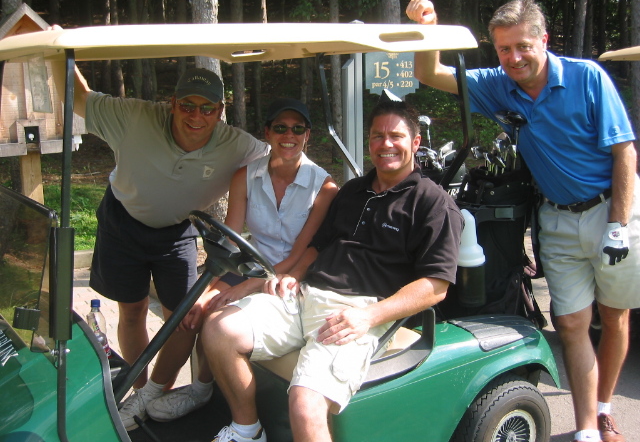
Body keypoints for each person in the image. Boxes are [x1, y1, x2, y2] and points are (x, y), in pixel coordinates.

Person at [406, 0, 640, 442]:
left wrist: (617, 224)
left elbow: (624, 151)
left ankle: (605, 409)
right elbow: (429, 73)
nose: (514, 58)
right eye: (504, 49)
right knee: (571, 323)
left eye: (522, 47)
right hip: (556, 216)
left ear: (543, 40)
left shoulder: (587, 78)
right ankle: (587, 429)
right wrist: (429, 28)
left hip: (613, 210)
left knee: (614, 316)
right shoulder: (498, 84)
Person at [200, 100, 464, 442]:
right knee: (218, 329)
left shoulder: (433, 204)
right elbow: (318, 245)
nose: (385, 144)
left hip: (356, 313)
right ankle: (247, 431)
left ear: (415, 142)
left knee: (305, 404)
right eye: (377, 136)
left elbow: (436, 285)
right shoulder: (353, 191)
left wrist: (368, 317)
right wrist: (294, 275)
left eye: (396, 136)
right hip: (304, 296)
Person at [59, 60, 270, 430]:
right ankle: (140, 392)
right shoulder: (134, 117)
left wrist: (331, 193)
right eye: (187, 105)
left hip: (177, 229)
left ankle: (158, 392)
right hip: (123, 220)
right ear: (172, 103)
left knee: (185, 318)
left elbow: (284, 156)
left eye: (207, 108)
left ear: (219, 111)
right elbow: (79, 98)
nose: (196, 116)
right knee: (132, 310)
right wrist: (53, 44)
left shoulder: (238, 145)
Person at [140, 98, 339, 423]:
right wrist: (205, 291)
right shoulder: (246, 176)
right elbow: (231, 239)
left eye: (297, 129)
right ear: (267, 133)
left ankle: (202, 389)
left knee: (218, 313)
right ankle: (150, 392)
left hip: (290, 277)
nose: (288, 135)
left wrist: (246, 287)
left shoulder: (325, 187)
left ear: (307, 136)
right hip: (249, 265)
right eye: (280, 128)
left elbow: (299, 255)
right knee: (190, 310)